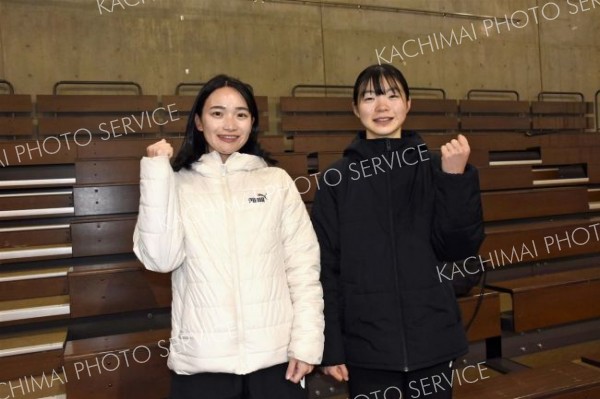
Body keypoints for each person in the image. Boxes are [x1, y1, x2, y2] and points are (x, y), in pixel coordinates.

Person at [133, 74, 324, 399]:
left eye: (241, 114)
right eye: (217, 113)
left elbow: (303, 270)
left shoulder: (276, 182)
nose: (230, 124)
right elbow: (160, 260)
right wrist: (155, 175)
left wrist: (307, 344)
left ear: (252, 122)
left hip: (277, 362)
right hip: (202, 367)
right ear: (198, 121)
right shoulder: (176, 184)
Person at [311, 64, 485, 399]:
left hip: (432, 340)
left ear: (408, 104)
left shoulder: (441, 168)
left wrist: (455, 180)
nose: (381, 106)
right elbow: (325, 269)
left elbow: (460, 248)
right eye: (370, 97)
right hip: (366, 348)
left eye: (392, 96)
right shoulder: (336, 180)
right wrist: (331, 346)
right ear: (355, 108)